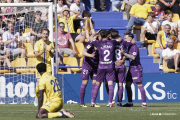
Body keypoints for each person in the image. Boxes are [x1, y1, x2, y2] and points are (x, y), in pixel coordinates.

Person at [89, 30, 117, 107]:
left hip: (101, 66)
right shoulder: (113, 42)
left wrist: (95, 34)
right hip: (110, 66)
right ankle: (110, 102)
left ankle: (93, 102)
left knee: (97, 84)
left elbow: (90, 38)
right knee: (110, 85)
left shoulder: (98, 43)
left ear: (100, 36)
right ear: (107, 36)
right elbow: (120, 40)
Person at [121, 33, 147, 107]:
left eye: (126, 38)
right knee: (127, 85)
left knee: (139, 84)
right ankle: (130, 102)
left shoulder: (134, 47)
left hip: (136, 68)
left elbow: (133, 57)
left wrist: (124, 53)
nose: (124, 40)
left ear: (131, 39)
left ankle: (144, 103)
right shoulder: (129, 46)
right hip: (131, 68)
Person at [34, 28, 55, 107]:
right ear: (41, 34)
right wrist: (42, 51)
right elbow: (35, 55)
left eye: (46, 34)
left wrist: (49, 51)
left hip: (48, 67)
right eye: (44, 33)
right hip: (39, 67)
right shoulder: (37, 43)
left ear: (48, 35)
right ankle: (36, 97)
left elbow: (52, 56)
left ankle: (46, 101)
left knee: (47, 85)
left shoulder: (51, 44)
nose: (45, 35)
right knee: (39, 85)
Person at [79, 21, 98, 107]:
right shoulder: (90, 44)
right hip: (87, 65)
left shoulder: (100, 44)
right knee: (85, 82)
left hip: (95, 66)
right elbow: (83, 52)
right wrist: (90, 55)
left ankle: (93, 102)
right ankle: (82, 102)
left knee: (95, 84)